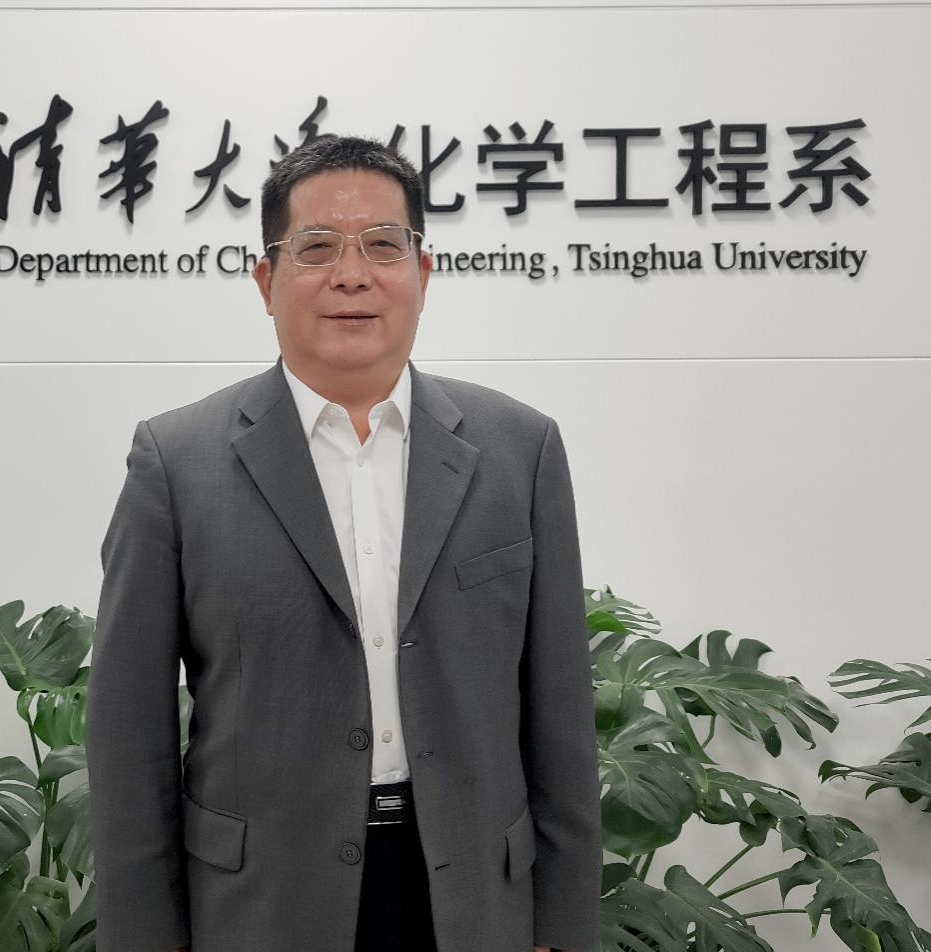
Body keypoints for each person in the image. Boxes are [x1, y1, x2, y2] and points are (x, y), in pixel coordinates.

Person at [85, 135, 601, 952]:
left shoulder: (519, 449)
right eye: (317, 247)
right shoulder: (176, 462)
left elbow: (560, 709)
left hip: (471, 895)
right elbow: (128, 729)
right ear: (266, 281)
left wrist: (561, 926)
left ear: (422, 273)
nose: (352, 275)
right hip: (261, 903)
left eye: (383, 246)